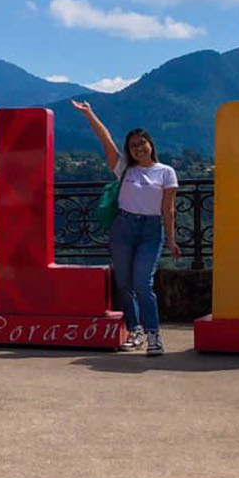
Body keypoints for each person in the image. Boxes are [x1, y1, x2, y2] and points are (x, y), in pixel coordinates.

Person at [70, 100, 180, 356]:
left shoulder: (166, 172)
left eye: (142, 143)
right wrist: (89, 113)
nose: (139, 148)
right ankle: (135, 331)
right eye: (133, 146)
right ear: (129, 151)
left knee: (143, 283)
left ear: (151, 144)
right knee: (124, 283)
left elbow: (168, 209)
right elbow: (104, 139)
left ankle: (153, 335)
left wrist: (172, 239)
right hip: (124, 227)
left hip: (151, 231)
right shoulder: (124, 169)